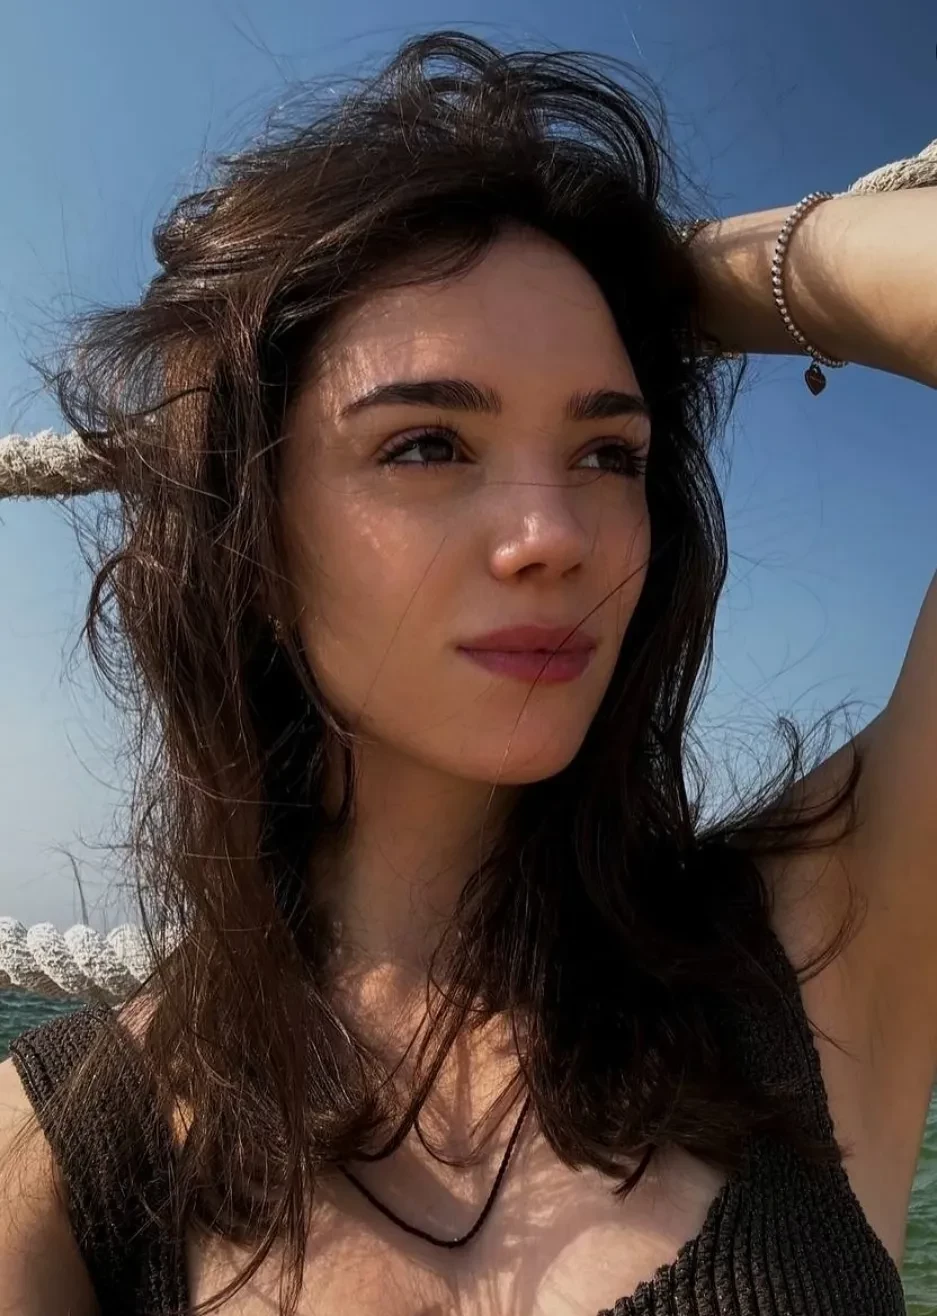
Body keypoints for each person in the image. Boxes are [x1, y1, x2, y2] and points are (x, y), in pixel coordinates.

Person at [0, 30, 934, 1316]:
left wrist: (676, 274)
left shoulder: (818, 931)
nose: (554, 535)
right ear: (248, 535)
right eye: (428, 443)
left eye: (607, 453)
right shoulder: (63, 1155)